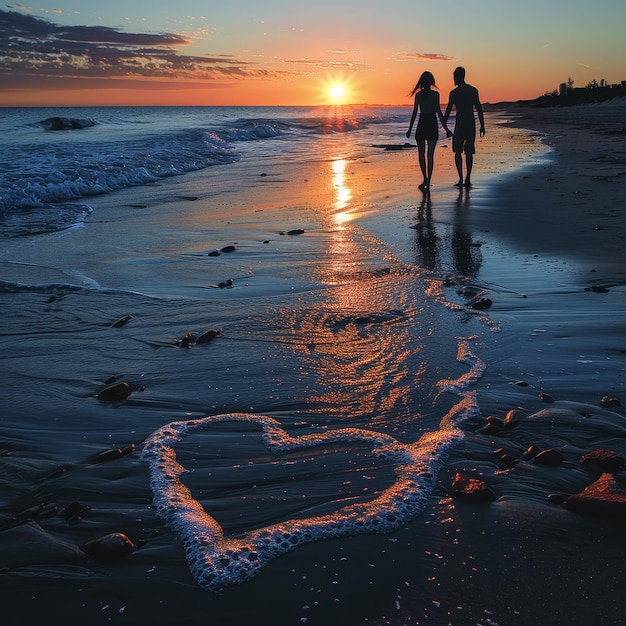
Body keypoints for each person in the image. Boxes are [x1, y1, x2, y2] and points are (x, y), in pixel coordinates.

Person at [406, 71, 451, 194]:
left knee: (421, 154)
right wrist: (446, 128)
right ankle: (428, 181)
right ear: (432, 81)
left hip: (422, 123)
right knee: (430, 155)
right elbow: (438, 112)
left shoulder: (419, 95)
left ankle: (425, 179)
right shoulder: (435, 95)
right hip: (431, 123)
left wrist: (410, 129)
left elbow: (415, 113)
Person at [443, 66, 485, 189]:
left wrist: (444, 126)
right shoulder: (473, 90)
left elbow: (448, 111)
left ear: (457, 77)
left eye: (454, 77)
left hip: (460, 123)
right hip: (470, 123)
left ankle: (461, 178)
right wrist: (482, 125)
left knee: (458, 151)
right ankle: (467, 178)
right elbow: (479, 108)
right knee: (469, 152)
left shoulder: (454, 93)